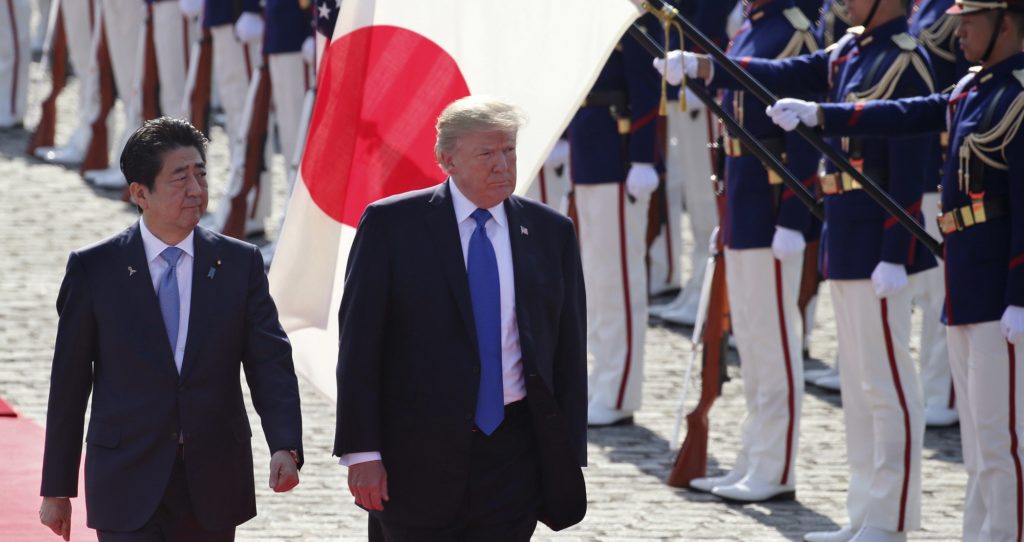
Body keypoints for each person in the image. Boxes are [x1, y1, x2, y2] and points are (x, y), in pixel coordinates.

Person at [658, 0, 938, 540]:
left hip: (875, 238)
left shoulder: (905, 61)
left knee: (886, 385)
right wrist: (703, 65)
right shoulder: (851, 50)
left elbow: (908, 170)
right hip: (844, 232)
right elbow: (782, 74)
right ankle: (866, 513)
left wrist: (895, 252)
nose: (842, 2)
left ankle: (892, 517)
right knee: (859, 388)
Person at [767, 1, 1024, 538]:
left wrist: (1019, 295)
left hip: (998, 287)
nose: (960, 29)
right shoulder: (972, 89)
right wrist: (821, 114)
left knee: (1003, 440)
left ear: (1008, 25)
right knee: (981, 440)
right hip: (965, 278)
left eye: (972, 19)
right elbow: (906, 113)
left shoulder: (1017, 99)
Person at [333, 96, 588, 540]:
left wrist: (566, 454)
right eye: (486, 153)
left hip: (513, 453)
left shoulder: (551, 232)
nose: (503, 165)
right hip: (414, 457)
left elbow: (567, 350)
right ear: (446, 159)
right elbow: (359, 346)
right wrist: (361, 452)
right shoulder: (393, 226)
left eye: (508, 150)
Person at [38, 117, 304, 541]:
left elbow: (269, 362)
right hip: (126, 476)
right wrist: (56, 489)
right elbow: (69, 384)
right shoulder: (95, 269)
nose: (196, 191)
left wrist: (284, 444)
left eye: (201, 175)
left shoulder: (239, 264)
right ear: (140, 193)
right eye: (180, 179)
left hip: (212, 478)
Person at [658, 0, 819, 504]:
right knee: (751, 342)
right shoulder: (753, 28)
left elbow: (808, 140)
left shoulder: (794, 32)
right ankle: (754, 457)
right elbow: (732, 126)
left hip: (772, 210)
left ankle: (776, 466)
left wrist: (796, 216)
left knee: (773, 343)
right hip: (743, 205)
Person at [569, 17, 661, 427]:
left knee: (618, 281)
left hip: (617, 155)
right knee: (597, 280)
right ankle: (604, 379)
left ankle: (619, 390)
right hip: (590, 151)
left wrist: (643, 157)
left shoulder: (633, 13)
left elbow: (647, 87)